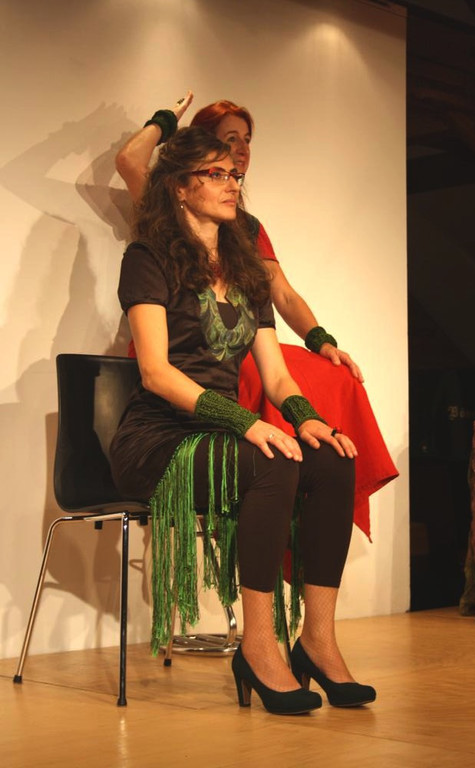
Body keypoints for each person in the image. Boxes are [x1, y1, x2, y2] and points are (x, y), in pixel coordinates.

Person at [110, 126, 376, 714]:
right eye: (215, 174)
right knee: (269, 462)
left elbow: (277, 377)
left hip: (221, 434)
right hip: (158, 439)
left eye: (234, 174)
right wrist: (247, 423)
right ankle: (258, 647)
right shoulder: (147, 258)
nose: (232, 183)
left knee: (332, 459)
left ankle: (317, 641)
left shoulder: (246, 267)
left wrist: (308, 419)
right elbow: (155, 372)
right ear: (180, 187)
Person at [115, 93, 398, 543]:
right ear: (184, 181)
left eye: (242, 151)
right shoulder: (156, 237)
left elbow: (281, 294)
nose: (239, 159)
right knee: (273, 454)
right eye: (227, 147)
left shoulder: (245, 237)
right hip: (174, 370)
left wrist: (319, 345)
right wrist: (166, 120)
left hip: (230, 363)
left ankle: (312, 565)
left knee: (332, 417)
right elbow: (130, 160)